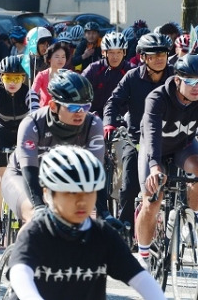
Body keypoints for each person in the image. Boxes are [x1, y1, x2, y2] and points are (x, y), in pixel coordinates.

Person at [8, 145, 165, 300]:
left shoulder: (103, 236)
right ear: (48, 193)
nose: (82, 201)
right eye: (71, 193)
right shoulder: (36, 233)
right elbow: (20, 274)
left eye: (89, 191)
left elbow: (139, 278)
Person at [1, 70, 120, 229]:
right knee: (36, 219)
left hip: (63, 179)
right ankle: (21, 252)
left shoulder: (92, 124)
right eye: (72, 107)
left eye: (85, 107)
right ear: (53, 106)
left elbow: (95, 171)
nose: (80, 113)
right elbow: (29, 171)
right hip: (23, 175)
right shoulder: (32, 124)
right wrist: (38, 207)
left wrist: (104, 213)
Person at [103, 32, 173, 236]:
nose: (159, 59)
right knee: (129, 185)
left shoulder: (175, 76)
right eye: (153, 55)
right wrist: (109, 124)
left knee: (183, 183)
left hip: (170, 138)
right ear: (142, 57)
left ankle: (176, 222)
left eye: (163, 54)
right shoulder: (132, 77)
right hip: (136, 139)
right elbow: (113, 102)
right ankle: (125, 232)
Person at [135, 54, 198, 265]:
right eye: (190, 80)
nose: (196, 86)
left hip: (183, 146)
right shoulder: (157, 98)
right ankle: (143, 254)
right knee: (153, 198)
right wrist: (154, 167)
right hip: (156, 150)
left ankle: (190, 214)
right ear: (178, 79)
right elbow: (151, 135)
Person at [0, 55, 39, 244]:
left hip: (23, 133)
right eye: (8, 78)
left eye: (17, 78)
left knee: (27, 175)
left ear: (23, 79)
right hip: (1, 132)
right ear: (1, 77)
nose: (13, 83)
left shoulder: (30, 93)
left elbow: (35, 119)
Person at [82, 32, 133, 117]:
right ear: (103, 52)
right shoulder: (93, 69)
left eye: (119, 52)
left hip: (123, 118)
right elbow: (80, 88)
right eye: (111, 52)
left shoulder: (132, 70)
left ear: (124, 52)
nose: (115, 57)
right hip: (95, 117)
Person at [31, 42, 70, 106]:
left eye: (63, 57)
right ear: (49, 58)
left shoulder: (69, 75)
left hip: (64, 113)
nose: (60, 60)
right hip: (45, 112)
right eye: (57, 57)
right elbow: (32, 94)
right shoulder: (41, 76)